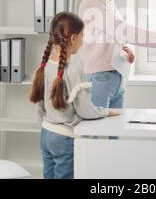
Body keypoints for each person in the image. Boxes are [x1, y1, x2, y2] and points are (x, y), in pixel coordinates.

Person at [29, 12, 119, 179]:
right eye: (82, 36)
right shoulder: (74, 71)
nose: (83, 41)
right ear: (73, 39)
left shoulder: (43, 68)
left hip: (46, 134)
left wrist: (49, 122)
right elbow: (85, 110)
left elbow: (39, 108)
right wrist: (107, 111)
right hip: (64, 138)